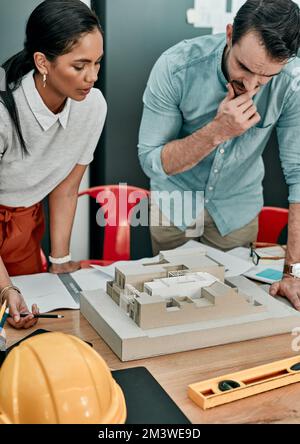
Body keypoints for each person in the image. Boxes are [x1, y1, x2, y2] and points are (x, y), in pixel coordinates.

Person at [138, 0, 300, 310]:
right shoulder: (175, 66)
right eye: (244, 68)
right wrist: (218, 131)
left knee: (227, 310)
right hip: (173, 208)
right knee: (169, 310)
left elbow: (299, 175)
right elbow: (151, 161)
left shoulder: (293, 82)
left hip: (236, 213)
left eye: (265, 78)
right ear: (229, 35)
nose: (251, 86)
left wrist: (294, 271)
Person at [0, 0, 107, 328]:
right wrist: (5, 287)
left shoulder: (92, 107)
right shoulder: (4, 112)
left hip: (24, 226)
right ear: (42, 62)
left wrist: (59, 261)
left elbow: (66, 187)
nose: (92, 77)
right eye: (79, 66)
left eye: (98, 63)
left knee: (23, 320)